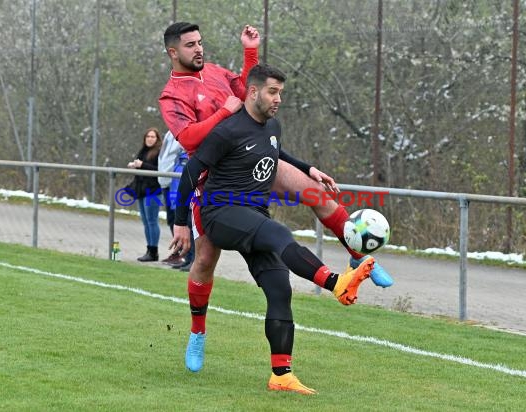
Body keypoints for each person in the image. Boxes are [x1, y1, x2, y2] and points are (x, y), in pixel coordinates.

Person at [158, 22, 393, 375]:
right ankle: (197, 333)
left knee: (316, 192)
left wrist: (250, 51)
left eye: (200, 42)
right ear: (173, 52)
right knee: (205, 260)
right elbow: (191, 138)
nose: (199, 49)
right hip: (216, 175)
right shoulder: (172, 95)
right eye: (191, 45)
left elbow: (249, 90)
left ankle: (358, 254)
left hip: (252, 150)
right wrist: (224, 112)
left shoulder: (218, 74)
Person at [127, 127, 162, 262]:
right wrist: (135, 165)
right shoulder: (143, 151)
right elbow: (141, 165)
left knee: (152, 221)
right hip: (141, 189)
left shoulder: (159, 152)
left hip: (153, 190)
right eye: (148, 136)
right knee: (145, 222)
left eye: (153, 137)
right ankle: (149, 249)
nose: (150, 139)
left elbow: (159, 169)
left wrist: (142, 165)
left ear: (157, 139)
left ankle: (154, 251)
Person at [158, 130, 185, 266]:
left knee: (179, 219)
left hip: (175, 182)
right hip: (165, 181)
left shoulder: (182, 131)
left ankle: (185, 255)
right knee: (171, 220)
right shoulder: (169, 133)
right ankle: (177, 252)